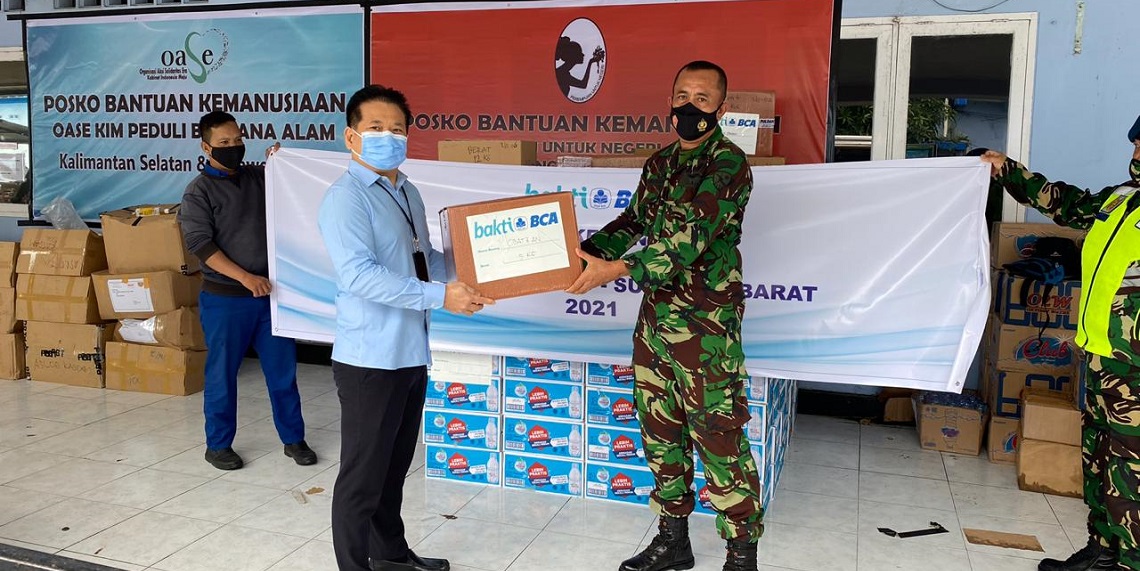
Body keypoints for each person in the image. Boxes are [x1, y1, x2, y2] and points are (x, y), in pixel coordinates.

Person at [566, 60, 762, 571]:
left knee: (718, 434)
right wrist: (582, 255)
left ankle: (741, 553)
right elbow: (634, 221)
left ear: (721, 107)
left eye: (702, 98)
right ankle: (673, 541)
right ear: (669, 101)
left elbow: (689, 239)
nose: (689, 106)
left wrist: (617, 269)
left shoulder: (729, 164)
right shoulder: (660, 163)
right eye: (681, 96)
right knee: (660, 429)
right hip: (656, 321)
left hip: (706, 327)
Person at [318, 85, 494, 571]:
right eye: (376, 128)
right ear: (351, 137)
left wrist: (478, 269)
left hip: (410, 353)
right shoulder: (346, 199)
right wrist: (442, 296)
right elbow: (359, 276)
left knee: (391, 471)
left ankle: (391, 557)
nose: (388, 137)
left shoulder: (406, 191)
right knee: (361, 480)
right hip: (369, 360)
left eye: (397, 129)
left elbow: (424, 260)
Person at [982, 117, 1140, 571]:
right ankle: (1103, 552)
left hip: (1136, 369)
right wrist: (1006, 170)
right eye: (1135, 145)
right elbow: (1063, 202)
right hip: (1104, 359)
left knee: (1133, 473)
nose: (1135, 155)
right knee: (1100, 459)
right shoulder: (1119, 199)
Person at [179, 111, 316, 471]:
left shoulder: (258, 177)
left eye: (238, 140)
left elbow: (294, 190)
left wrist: (282, 163)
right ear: (206, 147)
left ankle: (294, 439)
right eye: (224, 142)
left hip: (270, 297)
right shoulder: (198, 192)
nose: (234, 147)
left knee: (282, 373)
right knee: (222, 375)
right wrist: (244, 277)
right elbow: (201, 245)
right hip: (225, 300)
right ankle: (218, 445)